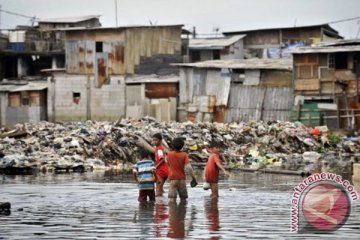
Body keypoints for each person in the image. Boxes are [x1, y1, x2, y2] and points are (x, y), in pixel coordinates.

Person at [166, 137, 197, 202]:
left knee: (172, 199)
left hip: (173, 179)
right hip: (182, 180)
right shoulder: (184, 155)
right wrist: (193, 178)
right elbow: (188, 168)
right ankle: (182, 211)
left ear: (172, 145)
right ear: (182, 146)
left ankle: (173, 211)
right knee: (183, 199)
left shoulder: (169, 154)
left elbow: (168, 164)